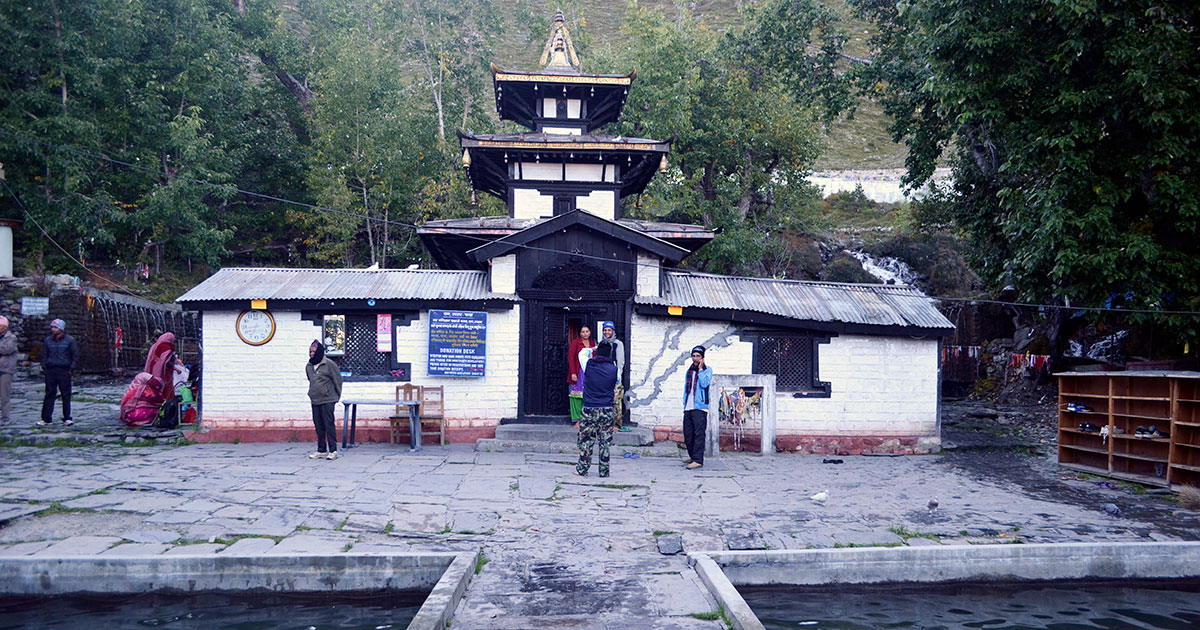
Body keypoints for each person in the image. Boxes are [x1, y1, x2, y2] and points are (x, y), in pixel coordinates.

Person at [576, 341, 618, 477]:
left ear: (597, 352)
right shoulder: (614, 369)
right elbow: (617, 382)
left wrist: (592, 348)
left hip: (589, 408)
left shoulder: (589, 365)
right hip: (607, 408)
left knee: (586, 440)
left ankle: (582, 469)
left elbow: (582, 353)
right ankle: (604, 471)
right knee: (605, 442)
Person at [306, 340, 343, 460]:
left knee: (328, 424)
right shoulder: (309, 366)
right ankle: (321, 450)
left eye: (313, 351)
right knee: (318, 425)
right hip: (315, 399)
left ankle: (333, 450)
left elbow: (337, 380)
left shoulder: (329, 364)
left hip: (328, 399)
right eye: (310, 351)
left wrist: (336, 396)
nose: (311, 354)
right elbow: (311, 380)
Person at [39, 318, 79, 427]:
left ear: (61, 328)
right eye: (52, 327)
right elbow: (43, 355)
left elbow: (75, 356)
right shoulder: (48, 341)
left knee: (65, 395)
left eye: (55, 327)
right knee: (49, 394)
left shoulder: (70, 341)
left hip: (64, 370)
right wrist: (45, 368)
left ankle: (67, 417)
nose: (53, 329)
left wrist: (71, 369)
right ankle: (46, 418)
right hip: (51, 370)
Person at [682, 345, 712, 470]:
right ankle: (693, 456)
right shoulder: (689, 370)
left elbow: (705, 384)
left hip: (700, 406)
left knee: (699, 434)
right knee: (688, 433)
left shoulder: (707, 370)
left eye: (698, 356)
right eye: (693, 356)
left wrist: (700, 370)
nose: (695, 358)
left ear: (702, 357)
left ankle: (698, 460)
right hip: (689, 406)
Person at [600, 321, 627, 430]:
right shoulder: (601, 343)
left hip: (614, 375)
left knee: (616, 400)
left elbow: (620, 361)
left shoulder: (617, 343)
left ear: (613, 331)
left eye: (609, 330)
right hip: (603, 376)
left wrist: (618, 374)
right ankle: (605, 422)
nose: (607, 332)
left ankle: (617, 423)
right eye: (605, 330)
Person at [567, 325, 596, 423]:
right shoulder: (576, 343)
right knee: (576, 396)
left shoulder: (593, 343)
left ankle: (586, 419)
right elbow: (571, 358)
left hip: (590, 373)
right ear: (580, 333)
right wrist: (573, 373)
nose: (585, 333)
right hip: (578, 372)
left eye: (587, 331)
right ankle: (577, 420)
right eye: (583, 332)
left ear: (590, 332)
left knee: (588, 395)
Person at [0, 316, 17, 424]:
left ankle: (5, 418)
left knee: (4, 394)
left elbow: (7, 349)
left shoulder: (12, 338)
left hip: (5, 369)